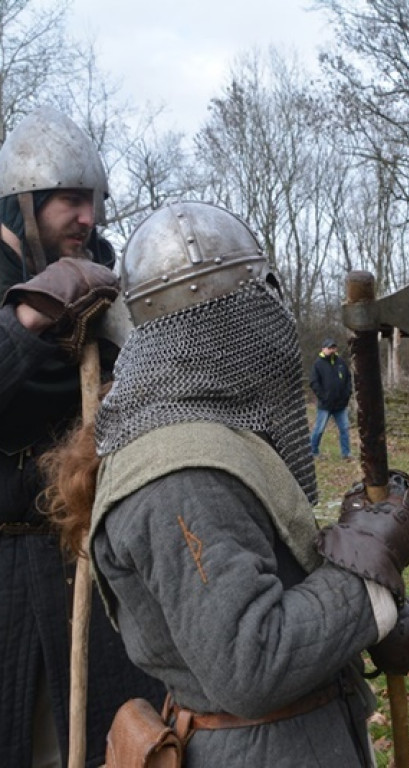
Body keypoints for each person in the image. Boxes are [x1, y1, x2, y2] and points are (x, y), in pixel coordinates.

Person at [43, 200, 409, 766]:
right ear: (228, 319)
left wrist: (357, 574)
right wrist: (369, 571)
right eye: (259, 300)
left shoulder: (206, 437)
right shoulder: (179, 474)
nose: (273, 320)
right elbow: (253, 661)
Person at [0, 106, 163, 768]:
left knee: (111, 743)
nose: (88, 217)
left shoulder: (109, 286)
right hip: (9, 571)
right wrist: (31, 314)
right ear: (24, 197)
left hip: (103, 572)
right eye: (71, 199)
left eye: (92, 200)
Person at [310, 338, 354, 460]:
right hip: (325, 405)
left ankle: (346, 454)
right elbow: (314, 383)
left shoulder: (341, 362)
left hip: (341, 405)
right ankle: (312, 451)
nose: (332, 350)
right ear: (323, 349)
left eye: (333, 348)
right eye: (329, 348)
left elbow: (348, 379)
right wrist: (323, 397)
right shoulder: (318, 364)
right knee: (319, 430)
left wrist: (347, 394)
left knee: (344, 429)